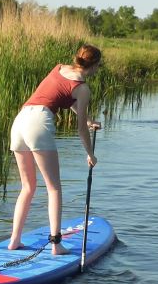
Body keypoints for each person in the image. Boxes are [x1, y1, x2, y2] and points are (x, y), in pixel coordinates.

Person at [9, 44, 102, 256]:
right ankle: (56, 245)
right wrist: (90, 154)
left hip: (20, 121)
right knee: (54, 188)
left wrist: (87, 120)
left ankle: (14, 240)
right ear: (95, 65)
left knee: (28, 187)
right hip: (38, 123)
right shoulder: (83, 88)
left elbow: (62, 96)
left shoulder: (58, 68)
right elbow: (79, 129)